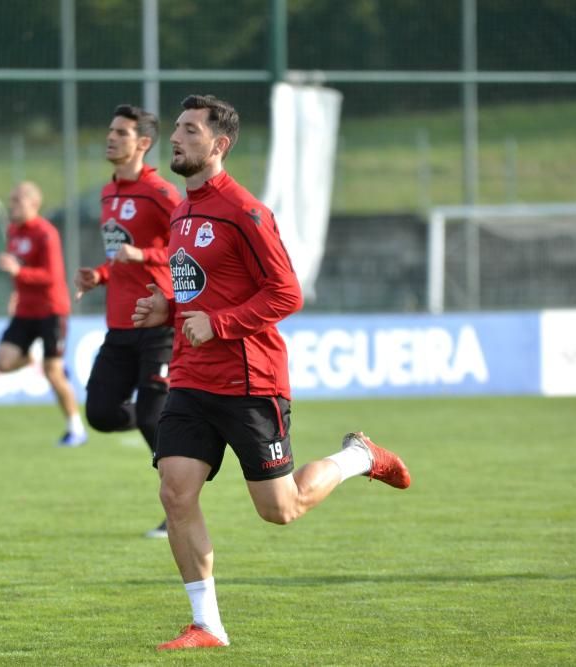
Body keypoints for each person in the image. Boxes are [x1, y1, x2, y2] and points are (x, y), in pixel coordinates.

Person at [132, 94, 412, 651]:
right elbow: (199, 287)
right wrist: (170, 307)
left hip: (248, 380)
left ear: (220, 144)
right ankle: (207, 624)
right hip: (191, 379)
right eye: (177, 129)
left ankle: (357, 456)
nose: (177, 138)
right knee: (175, 492)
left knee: (280, 510)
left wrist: (222, 324)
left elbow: (287, 293)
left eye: (190, 130)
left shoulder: (246, 211)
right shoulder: (183, 210)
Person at [74, 104, 183, 538]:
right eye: (110, 130)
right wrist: (99, 275)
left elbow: (184, 248)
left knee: (152, 419)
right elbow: (119, 255)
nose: (111, 137)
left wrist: (145, 255)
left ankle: (179, 507)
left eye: (121, 132)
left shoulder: (161, 194)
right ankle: (184, 432)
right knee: (100, 413)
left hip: (157, 325)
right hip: (119, 328)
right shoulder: (107, 194)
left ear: (143, 143)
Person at [0, 181, 87, 447]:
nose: (11, 205)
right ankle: (41, 358)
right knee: (3, 363)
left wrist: (18, 273)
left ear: (33, 204)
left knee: (53, 373)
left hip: (51, 310)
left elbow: (52, 276)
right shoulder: (13, 231)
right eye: (11, 200)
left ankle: (76, 429)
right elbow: (21, 266)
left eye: (17, 201)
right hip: (25, 310)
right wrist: (16, 290)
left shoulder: (46, 233)